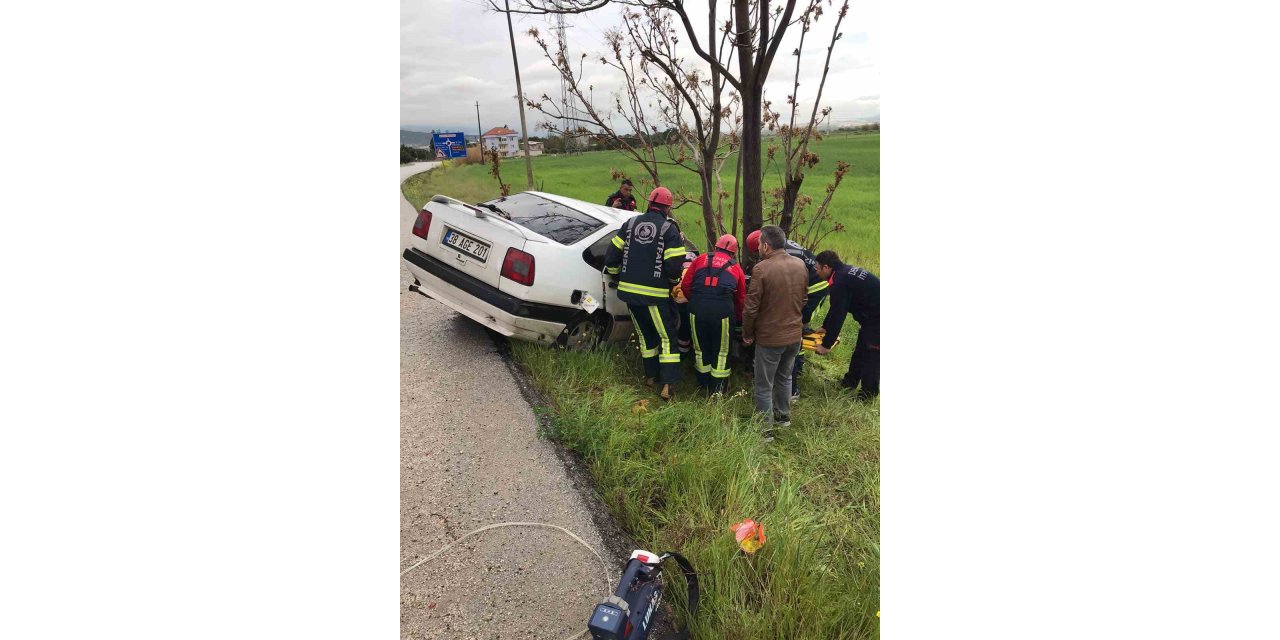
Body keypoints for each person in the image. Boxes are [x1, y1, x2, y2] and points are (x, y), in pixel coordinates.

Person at [603, 186, 687, 400]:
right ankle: (667, 385)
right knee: (667, 338)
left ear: (649, 203)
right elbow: (674, 266)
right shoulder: (669, 230)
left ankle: (650, 377)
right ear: (667, 208)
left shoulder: (629, 224)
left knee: (645, 335)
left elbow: (612, 256)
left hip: (629, 294)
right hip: (655, 296)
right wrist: (673, 283)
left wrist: (615, 275)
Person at [746, 230, 831, 400]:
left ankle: (795, 375)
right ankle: (793, 365)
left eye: (757, 250)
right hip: (806, 285)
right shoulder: (782, 247)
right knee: (794, 325)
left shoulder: (785, 257)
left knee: (798, 323)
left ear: (764, 245)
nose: (757, 255)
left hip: (816, 286)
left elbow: (787, 284)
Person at [741, 226, 809, 440]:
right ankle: (783, 418)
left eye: (759, 244)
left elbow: (751, 308)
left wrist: (747, 333)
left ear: (766, 246)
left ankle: (765, 430)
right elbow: (804, 299)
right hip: (794, 336)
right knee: (785, 377)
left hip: (770, 337)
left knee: (763, 384)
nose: (758, 248)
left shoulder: (762, 269)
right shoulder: (800, 265)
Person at [680, 234, 746, 394]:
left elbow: (686, 285)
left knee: (700, 348)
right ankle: (718, 388)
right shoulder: (736, 268)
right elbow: (741, 298)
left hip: (697, 308)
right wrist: (737, 318)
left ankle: (703, 384)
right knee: (722, 351)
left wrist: (695, 300)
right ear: (733, 253)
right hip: (722, 311)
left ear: (715, 247)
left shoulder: (700, 259)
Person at [812, 250, 880, 400]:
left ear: (826, 267)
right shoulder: (842, 273)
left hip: (878, 319)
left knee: (872, 357)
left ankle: (867, 395)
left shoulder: (840, 282)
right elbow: (836, 306)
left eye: (817, 268)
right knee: (861, 350)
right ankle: (849, 382)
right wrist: (825, 326)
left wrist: (826, 345)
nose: (816, 272)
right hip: (870, 319)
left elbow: (839, 315)